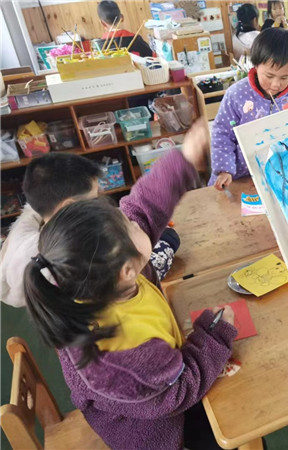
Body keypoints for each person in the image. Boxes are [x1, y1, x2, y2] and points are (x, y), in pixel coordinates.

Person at [23, 120, 238, 450]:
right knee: (230, 429)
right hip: (156, 433)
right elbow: (176, 392)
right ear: (127, 271)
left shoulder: (94, 270)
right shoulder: (120, 355)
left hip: (164, 385)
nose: (134, 218)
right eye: (130, 226)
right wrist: (213, 337)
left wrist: (185, 157)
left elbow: (143, 205)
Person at [0, 154, 179, 308]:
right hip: (127, 300)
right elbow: (129, 271)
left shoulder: (30, 236)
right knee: (168, 239)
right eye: (95, 197)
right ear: (69, 206)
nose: (101, 201)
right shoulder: (78, 249)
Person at [209, 27, 288, 190]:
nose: (276, 84)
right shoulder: (237, 94)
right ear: (255, 65)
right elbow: (222, 133)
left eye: (284, 77)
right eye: (269, 76)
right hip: (237, 177)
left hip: (279, 180)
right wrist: (224, 170)